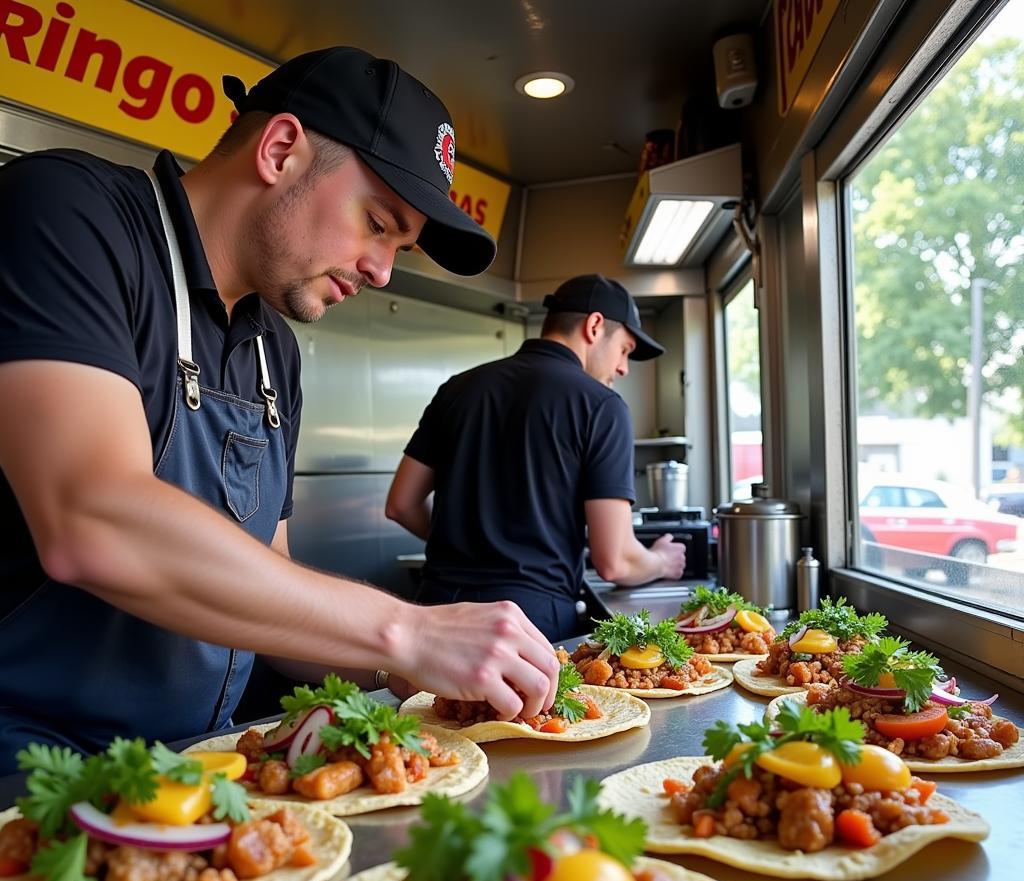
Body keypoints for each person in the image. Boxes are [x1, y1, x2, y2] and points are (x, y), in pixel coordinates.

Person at [0, 46, 559, 773]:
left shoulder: (273, 351)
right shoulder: (68, 215)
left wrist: (411, 675)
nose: (381, 270)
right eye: (377, 222)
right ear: (280, 149)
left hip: (206, 771)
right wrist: (405, 632)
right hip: (33, 781)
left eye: (400, 246)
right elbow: (92, 517)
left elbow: (269, 584)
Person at [385, 274, 687, 641]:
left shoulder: (457, 389)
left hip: (438, 610)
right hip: (530, 623)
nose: (623, 368)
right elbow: (615, 560)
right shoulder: (601, 406)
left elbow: (401, 504)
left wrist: (464, 545)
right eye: (624, 349)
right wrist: (661, 561)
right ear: (594, 326)